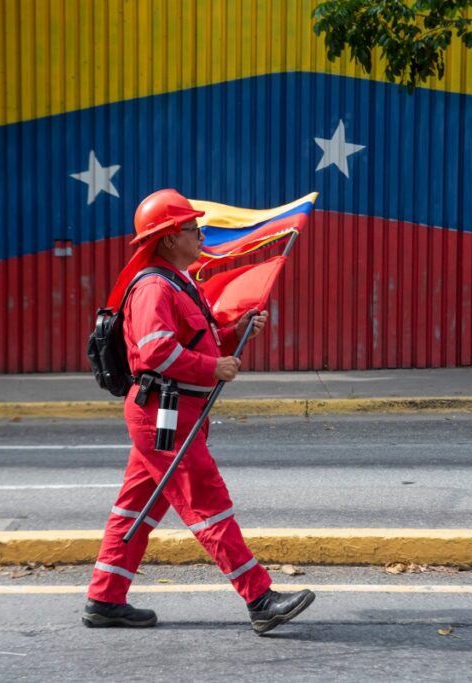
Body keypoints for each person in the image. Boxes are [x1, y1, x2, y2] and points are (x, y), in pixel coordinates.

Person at [82, 188, 315, 635]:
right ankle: (260, 598)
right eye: (192, 228)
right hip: (163, 414)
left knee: (135, 511)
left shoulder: (177, 282)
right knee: (207, 504)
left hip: (171, 411)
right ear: (170, 238)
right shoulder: (154, 286)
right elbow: (155, 353)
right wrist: (215, 366)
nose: (200, 233)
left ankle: (105, 598)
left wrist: (235, 332)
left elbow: (195, 340)